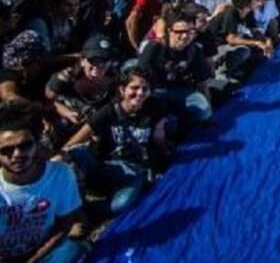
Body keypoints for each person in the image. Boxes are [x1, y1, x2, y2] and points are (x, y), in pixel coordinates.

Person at [63, 68, 177, 216]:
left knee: (121, 204)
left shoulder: (155, 109)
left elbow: (160, 139)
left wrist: (165, 150)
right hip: (106, 165)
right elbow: (75, 141)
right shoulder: (108, 111)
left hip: (133, 171)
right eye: (135, 88)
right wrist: (60, 157)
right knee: (73, 153)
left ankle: (88, 210)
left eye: (145, 89)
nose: (140, 93)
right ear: (123, 89)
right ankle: (76, 200)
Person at [0, 99, 87, 263]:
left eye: (25, 145)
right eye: (7, 150)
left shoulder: (60, 174)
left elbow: (64, 223)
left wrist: (34, 259)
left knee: (74, 250)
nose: (17, 154)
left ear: (37, 143)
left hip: (43, 250)